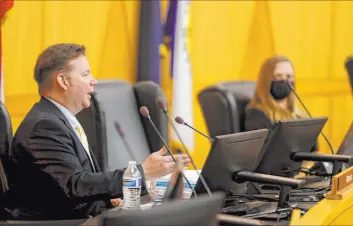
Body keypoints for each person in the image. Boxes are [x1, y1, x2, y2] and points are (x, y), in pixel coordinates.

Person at [1, 43, 191, 220]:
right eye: (85, 74)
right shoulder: (43, 127)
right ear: (63, 81)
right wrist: (140, 173)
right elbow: (74, 186)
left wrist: (107, 201)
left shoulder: (59, 119)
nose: (93, 81)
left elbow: (70, 188)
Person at [245, 55, 318, 177]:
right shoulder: (257, 115)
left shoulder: (300, 114)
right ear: (266, 80)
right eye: (278, 76)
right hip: (277, 181)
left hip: (303, 176)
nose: (285, 80)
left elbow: (314, 150)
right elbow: (268, 159)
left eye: (289, 76)